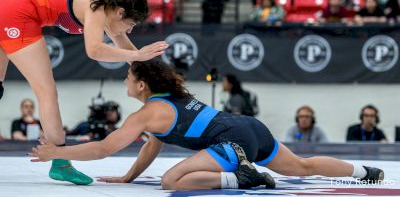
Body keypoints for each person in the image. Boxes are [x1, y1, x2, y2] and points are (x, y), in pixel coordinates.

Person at [30, 60, 384, 190]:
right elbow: (152, 145)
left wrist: (57, 152)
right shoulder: (167, 100)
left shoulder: (145, 114)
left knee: (173, 181)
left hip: (232, 141)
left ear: (141, 85)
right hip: (250, 128)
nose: (124, 81)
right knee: (303, 167)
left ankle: (242, 176)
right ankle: (365, 171)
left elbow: (104, 148)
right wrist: (128, 178)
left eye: (127, 76)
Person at [0, 0, 168, 185]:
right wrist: (140, 56)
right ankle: (61, 164)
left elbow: (132, 55)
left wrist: (162, 86)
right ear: (120, 12)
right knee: (47, 92)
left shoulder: (105, 9)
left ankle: (60, 162)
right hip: (16, 14)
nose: (130, 31)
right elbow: (94, 50)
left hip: (8, 6)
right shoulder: (95, 8)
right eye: (131, 24)